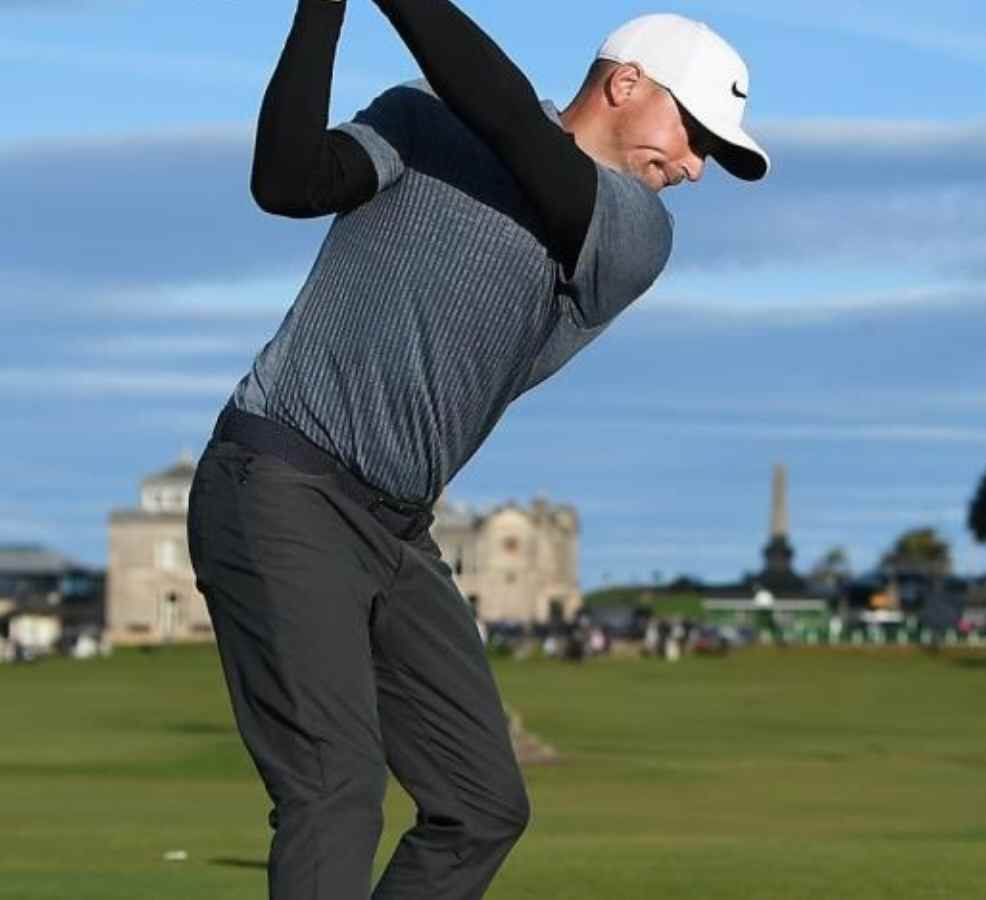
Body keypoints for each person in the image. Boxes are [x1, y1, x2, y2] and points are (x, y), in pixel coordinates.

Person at [185, 2, 768, 898]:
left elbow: (513, 128)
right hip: (278, 480)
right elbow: (287, 181)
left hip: (394, 531)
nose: (693, 167)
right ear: (625, 85)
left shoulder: (633, 231)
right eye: (693, 134)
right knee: (335, 789)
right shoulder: (425, 115)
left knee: (481, 803)